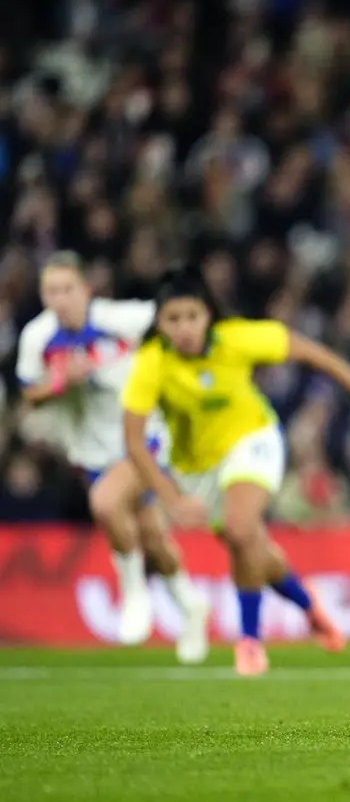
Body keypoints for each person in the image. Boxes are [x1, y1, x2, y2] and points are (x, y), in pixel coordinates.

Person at [120, 266, 350, 676]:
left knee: (239, 529)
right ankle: (309, 605)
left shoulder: (237, 338)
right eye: (173, 319)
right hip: (195, 467)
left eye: (192, 316)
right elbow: (133, 440)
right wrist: (172, 498)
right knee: (249, 544)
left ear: (208, 315)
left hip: (253, 439)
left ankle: (250, 643)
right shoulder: (151, 364)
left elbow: (310, 351)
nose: (184, 328)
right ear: (159, 324)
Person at [16, 251, 209, 663]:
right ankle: (192, 608)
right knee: (153, 536)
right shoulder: (38, 336)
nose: (61, 299)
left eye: (68, 289)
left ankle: (134, 595)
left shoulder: (121, 319)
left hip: (144, 437)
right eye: (51, 291)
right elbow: (28, 393)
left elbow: (171, 322)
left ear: (86, 289)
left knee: (104, 503)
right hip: (90, 451)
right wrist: (59, 383)